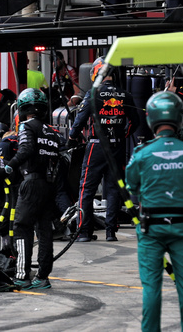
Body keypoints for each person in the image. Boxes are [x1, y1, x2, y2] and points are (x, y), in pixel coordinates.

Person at [127, 91, 183, 332]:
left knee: (151, 288)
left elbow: (132, 185)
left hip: (151, 228)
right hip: (182, 225)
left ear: (151, 119)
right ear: (180, 117)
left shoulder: (142, 153)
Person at [1, 88, 63, 289]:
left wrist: (10, 165)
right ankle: (43, 277)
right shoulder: (52, 131)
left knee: (21, 227)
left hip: (31, 184)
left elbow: (26, 150)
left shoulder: (27, 125)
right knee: (44, 231)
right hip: (50, 185)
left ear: (21, 108)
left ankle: (22, 275)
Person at [69, 63, 134, 241]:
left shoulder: (93, 94)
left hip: (96, 146)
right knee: (113, 189)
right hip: (117, 147)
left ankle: (83, 232)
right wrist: (122, 134)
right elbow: (135, 122)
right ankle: (110, 232)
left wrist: (72, 137)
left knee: (87, 189)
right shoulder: (125, 95)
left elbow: (79, 120)